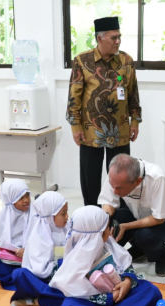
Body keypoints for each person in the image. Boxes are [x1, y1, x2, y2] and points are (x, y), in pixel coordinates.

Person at [49, 206, 162, 306]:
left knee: (151, 291)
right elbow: (73, 289)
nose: (110, 231)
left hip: (119, 296)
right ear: (98, 233)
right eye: (107, 228)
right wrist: (108, 297)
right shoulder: (75, 258)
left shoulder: (107, 243)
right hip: (94, 302)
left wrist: (127, 282)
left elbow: (125, 264)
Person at [66, 16, 142, 206]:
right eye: (113, 38)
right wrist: (76, 126)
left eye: (119, 37)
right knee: (90, 177)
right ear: (99, 39)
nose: (118, 42)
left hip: (121, 128)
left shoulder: (126, 61)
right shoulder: (82, 61)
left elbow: (133, 94)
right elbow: (74, 97)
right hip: (91, 131)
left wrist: (135, 121)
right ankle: (92, 214)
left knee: (122, 175)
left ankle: (119, 216)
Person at [98, 154, 165, 277]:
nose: (114, 191)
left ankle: (161, 253)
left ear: (138, 181)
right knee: (111, 223)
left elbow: (158, 218)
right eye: (112, 186)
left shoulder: (157, 178)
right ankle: (139, 249)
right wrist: (105, 222)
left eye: (119, 188)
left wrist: (126, 226)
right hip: (136, 215)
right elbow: (108, 202)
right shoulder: (115, 174)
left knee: (145, 236)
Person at [10, 191, 69, 306]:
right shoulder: (39, 234)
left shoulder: (67, 228)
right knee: (20, 275)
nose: (67, 217)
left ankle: (33, 301)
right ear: (50, 216)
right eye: (63, 214)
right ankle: (35, 300)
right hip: (43, 278)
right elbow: (39, 269)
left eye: (67, 212)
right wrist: (61, 265)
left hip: (62, 277)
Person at [0, 179, 32, 289]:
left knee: (30, 272)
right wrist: (9, 251)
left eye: (27, 195)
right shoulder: (3, 217)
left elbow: (41, 239)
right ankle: (4, 277)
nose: (26, 200)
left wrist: (27, 249)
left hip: (31, 257)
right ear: (11, 200)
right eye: (20, 198)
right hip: (10, 258)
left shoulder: (35, 214)